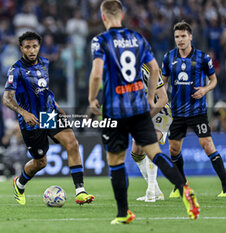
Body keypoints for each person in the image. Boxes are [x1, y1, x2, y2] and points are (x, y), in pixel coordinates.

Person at [88, 0, 199, 224]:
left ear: (103, 17)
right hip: (139, 109)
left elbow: (97, 74)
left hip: (115, 110)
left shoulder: (100, 40)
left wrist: (92, 99)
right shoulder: (138, 38)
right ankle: (184, 188)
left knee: (116, 161)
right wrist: (149, 97)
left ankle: (123, 213)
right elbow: (156, 68)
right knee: (155, 153)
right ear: (122, 15)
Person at [2, 31, 94, 205]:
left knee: (72, 143)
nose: (31, 50)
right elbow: (6, 98)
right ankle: (20, 183)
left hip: (49, 114)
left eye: (34, 46)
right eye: (27, 46)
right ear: (21, 48)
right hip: (31, 122)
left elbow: (44, 91)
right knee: (40, 162)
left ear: (39, 47)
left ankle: (80, 191)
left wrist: (58, 108)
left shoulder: (45, 63)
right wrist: (23, 113)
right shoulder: (16, 70)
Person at [161, 21, 226, 198]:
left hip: (197, 111)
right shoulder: (168, 57)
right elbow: (163, 81)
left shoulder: (203, 58)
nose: (180, 40)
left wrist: (205, 90)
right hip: (176, 112)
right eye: (177, 36)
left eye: (183, 36)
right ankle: (181, 186)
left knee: (207, 146)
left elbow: (214, 80)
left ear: (190, 37)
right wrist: (162, 99)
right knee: (173, 150)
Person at [131, 64, 172, 202]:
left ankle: (151, 191)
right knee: (136, 153)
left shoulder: (148, 68)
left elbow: (163, 98)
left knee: (150, 143)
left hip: (160, 110)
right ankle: (157, 191)